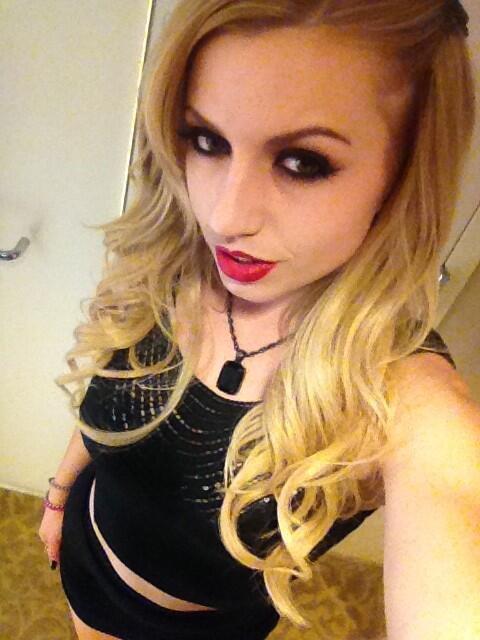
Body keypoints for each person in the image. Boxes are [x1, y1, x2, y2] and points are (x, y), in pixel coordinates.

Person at [38, 1, 479, 639]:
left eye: (303, 162)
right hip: (85, 556)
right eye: (207, 141)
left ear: (403, 177)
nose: (225, 216)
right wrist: (59, 496)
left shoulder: (404, 397)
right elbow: (103, 405)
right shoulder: (170, 263)